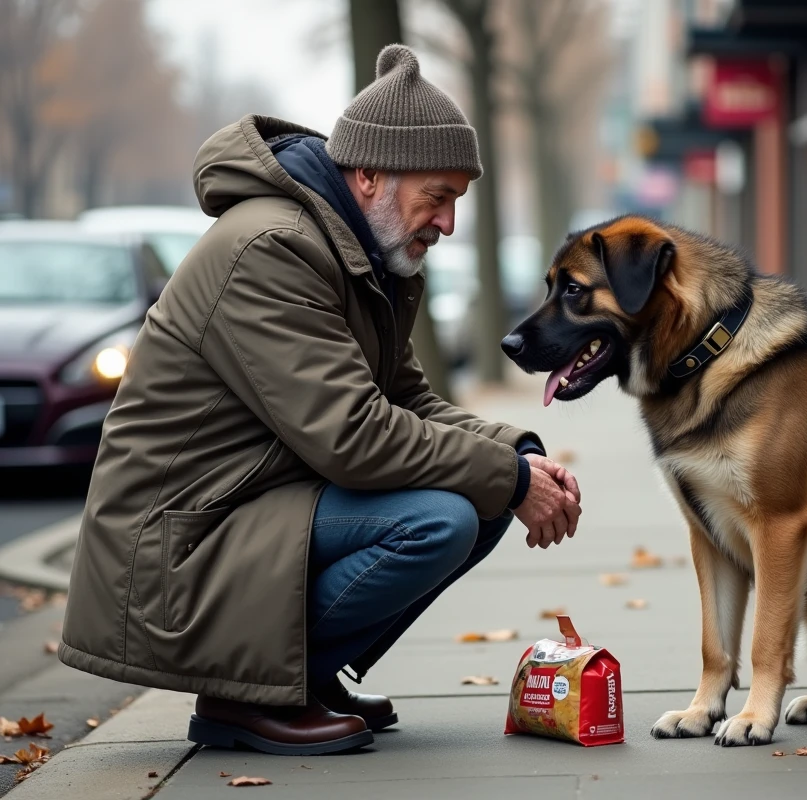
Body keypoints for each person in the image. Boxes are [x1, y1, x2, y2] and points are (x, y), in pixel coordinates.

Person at [59, 44, 582, 756]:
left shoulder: (364, 253)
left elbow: (409, 401)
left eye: (458, 200)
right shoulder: (272, 249)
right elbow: (353, 437)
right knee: (440, 518)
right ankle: (246, 695)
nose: (449, 223)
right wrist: (509, 479)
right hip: (179, 546)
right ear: (368, 176)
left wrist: (518, 456)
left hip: (253, 508)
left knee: (480, 492)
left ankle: (300, 679)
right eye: (439, 196)